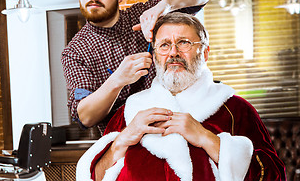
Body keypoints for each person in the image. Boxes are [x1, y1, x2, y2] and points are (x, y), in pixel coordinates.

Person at [76, 12, 286, 181]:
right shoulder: (129, 112)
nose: (173, 52)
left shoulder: (236, 110)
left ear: (204, 53)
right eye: (164, 45)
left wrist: (206, 138)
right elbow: (93, 176)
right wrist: (122, 140)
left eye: (184, 43)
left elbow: (273, 175)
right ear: (155, 55)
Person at [61, 0, 213, 134]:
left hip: (176, 131)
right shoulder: (75, 51)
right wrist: (118, 79)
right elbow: (85, 117)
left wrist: (165, 6)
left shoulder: (145, 14)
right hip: (124, 149)